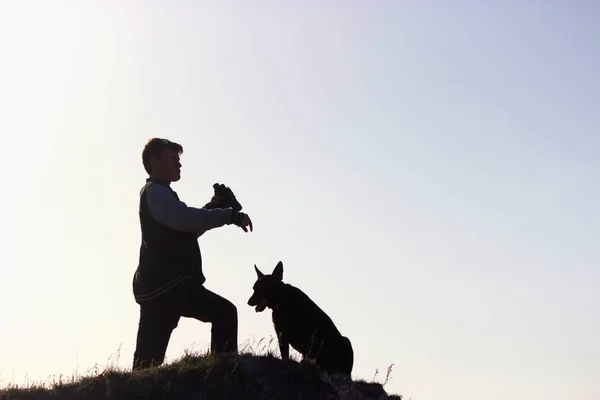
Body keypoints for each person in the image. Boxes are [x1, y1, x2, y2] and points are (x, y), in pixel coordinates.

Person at [131, 138, 253, 370]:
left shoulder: (162, 196)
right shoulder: (155, 192)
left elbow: (186, 229)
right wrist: (229, 215)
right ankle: (222, 378)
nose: (178, 164)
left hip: (160, 288)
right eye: (172, 159)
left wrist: (214, 206)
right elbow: (186, 220)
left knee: (145, 367)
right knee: (225, 314)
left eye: (178, 160)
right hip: (169, 286)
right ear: (153, 162)